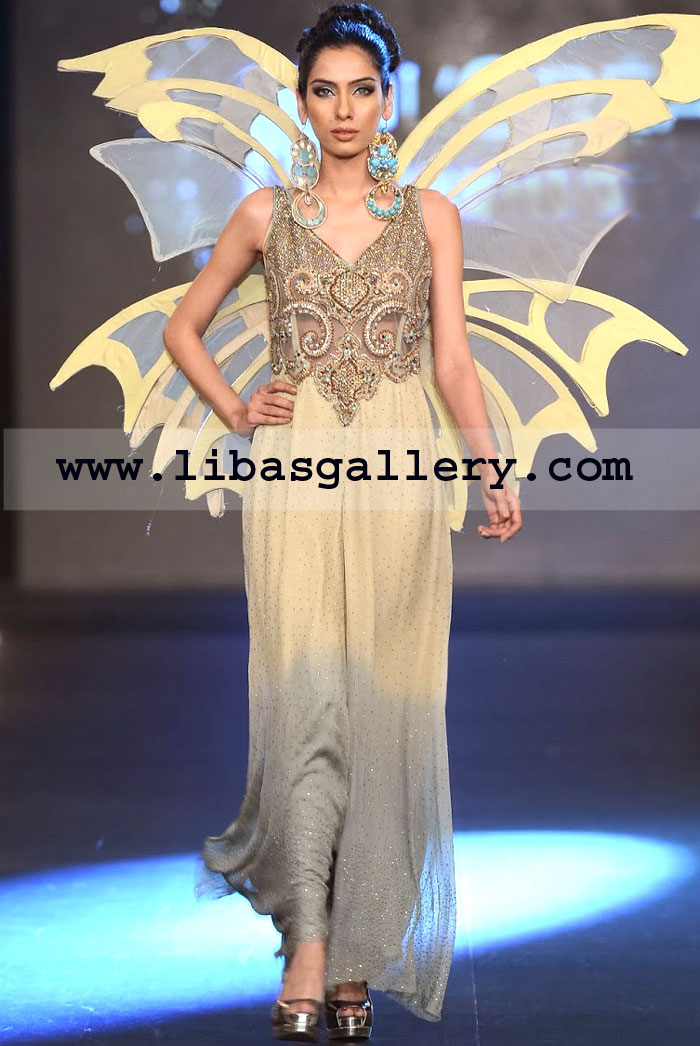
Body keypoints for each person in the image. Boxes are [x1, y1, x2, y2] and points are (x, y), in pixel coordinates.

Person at [163, 3, 522, 1040]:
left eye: (362, 90)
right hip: (297, 470)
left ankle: (358, 948)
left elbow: (452, 359)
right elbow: (185, 326)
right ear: (303, 103)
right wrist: (237, 409)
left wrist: (489, 466)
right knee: (306, 700)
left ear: (388, 99)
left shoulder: (433, 217)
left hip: (402, 471)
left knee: (382, 709)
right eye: (325, 91)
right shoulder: (264, 216)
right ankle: (311, 945)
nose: (345, 110)